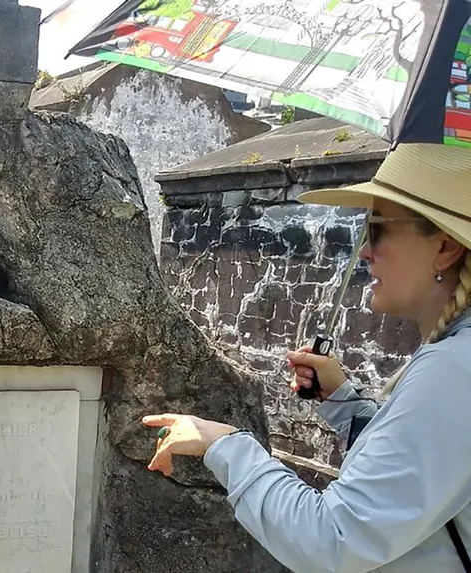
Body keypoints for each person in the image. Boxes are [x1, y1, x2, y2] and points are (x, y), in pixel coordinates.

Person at [142, 142, 471, 573]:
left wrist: (222, 442)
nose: (365, 251)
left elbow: (330, 539)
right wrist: (345, 404)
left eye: (378, 229)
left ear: (445, 248)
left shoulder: (452, 369)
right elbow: (420, 480)